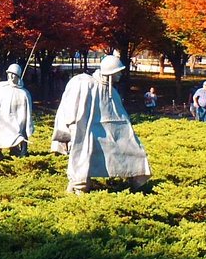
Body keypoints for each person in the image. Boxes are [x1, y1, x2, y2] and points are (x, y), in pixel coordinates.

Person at [51, 54, 151, 194]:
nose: (121, 74)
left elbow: (121, 119)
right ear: (110, 72)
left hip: (106, 133)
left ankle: (137, 185)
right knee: (82, 158)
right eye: (118, 71)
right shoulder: (85, 84)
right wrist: (71, 127)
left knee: (135, 151)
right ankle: (77, 190)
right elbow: (71, 107)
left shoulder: (113, 92)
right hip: (86, 132)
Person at [0, 63, 33, 156]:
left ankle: (18, 150)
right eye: (9, 74)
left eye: (14, 75)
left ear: (18, 76)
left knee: (18, 131)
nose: (11, 77)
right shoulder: (1, 88)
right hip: (0, 119)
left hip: (16, 122)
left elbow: (26, 115)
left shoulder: (24, 93)